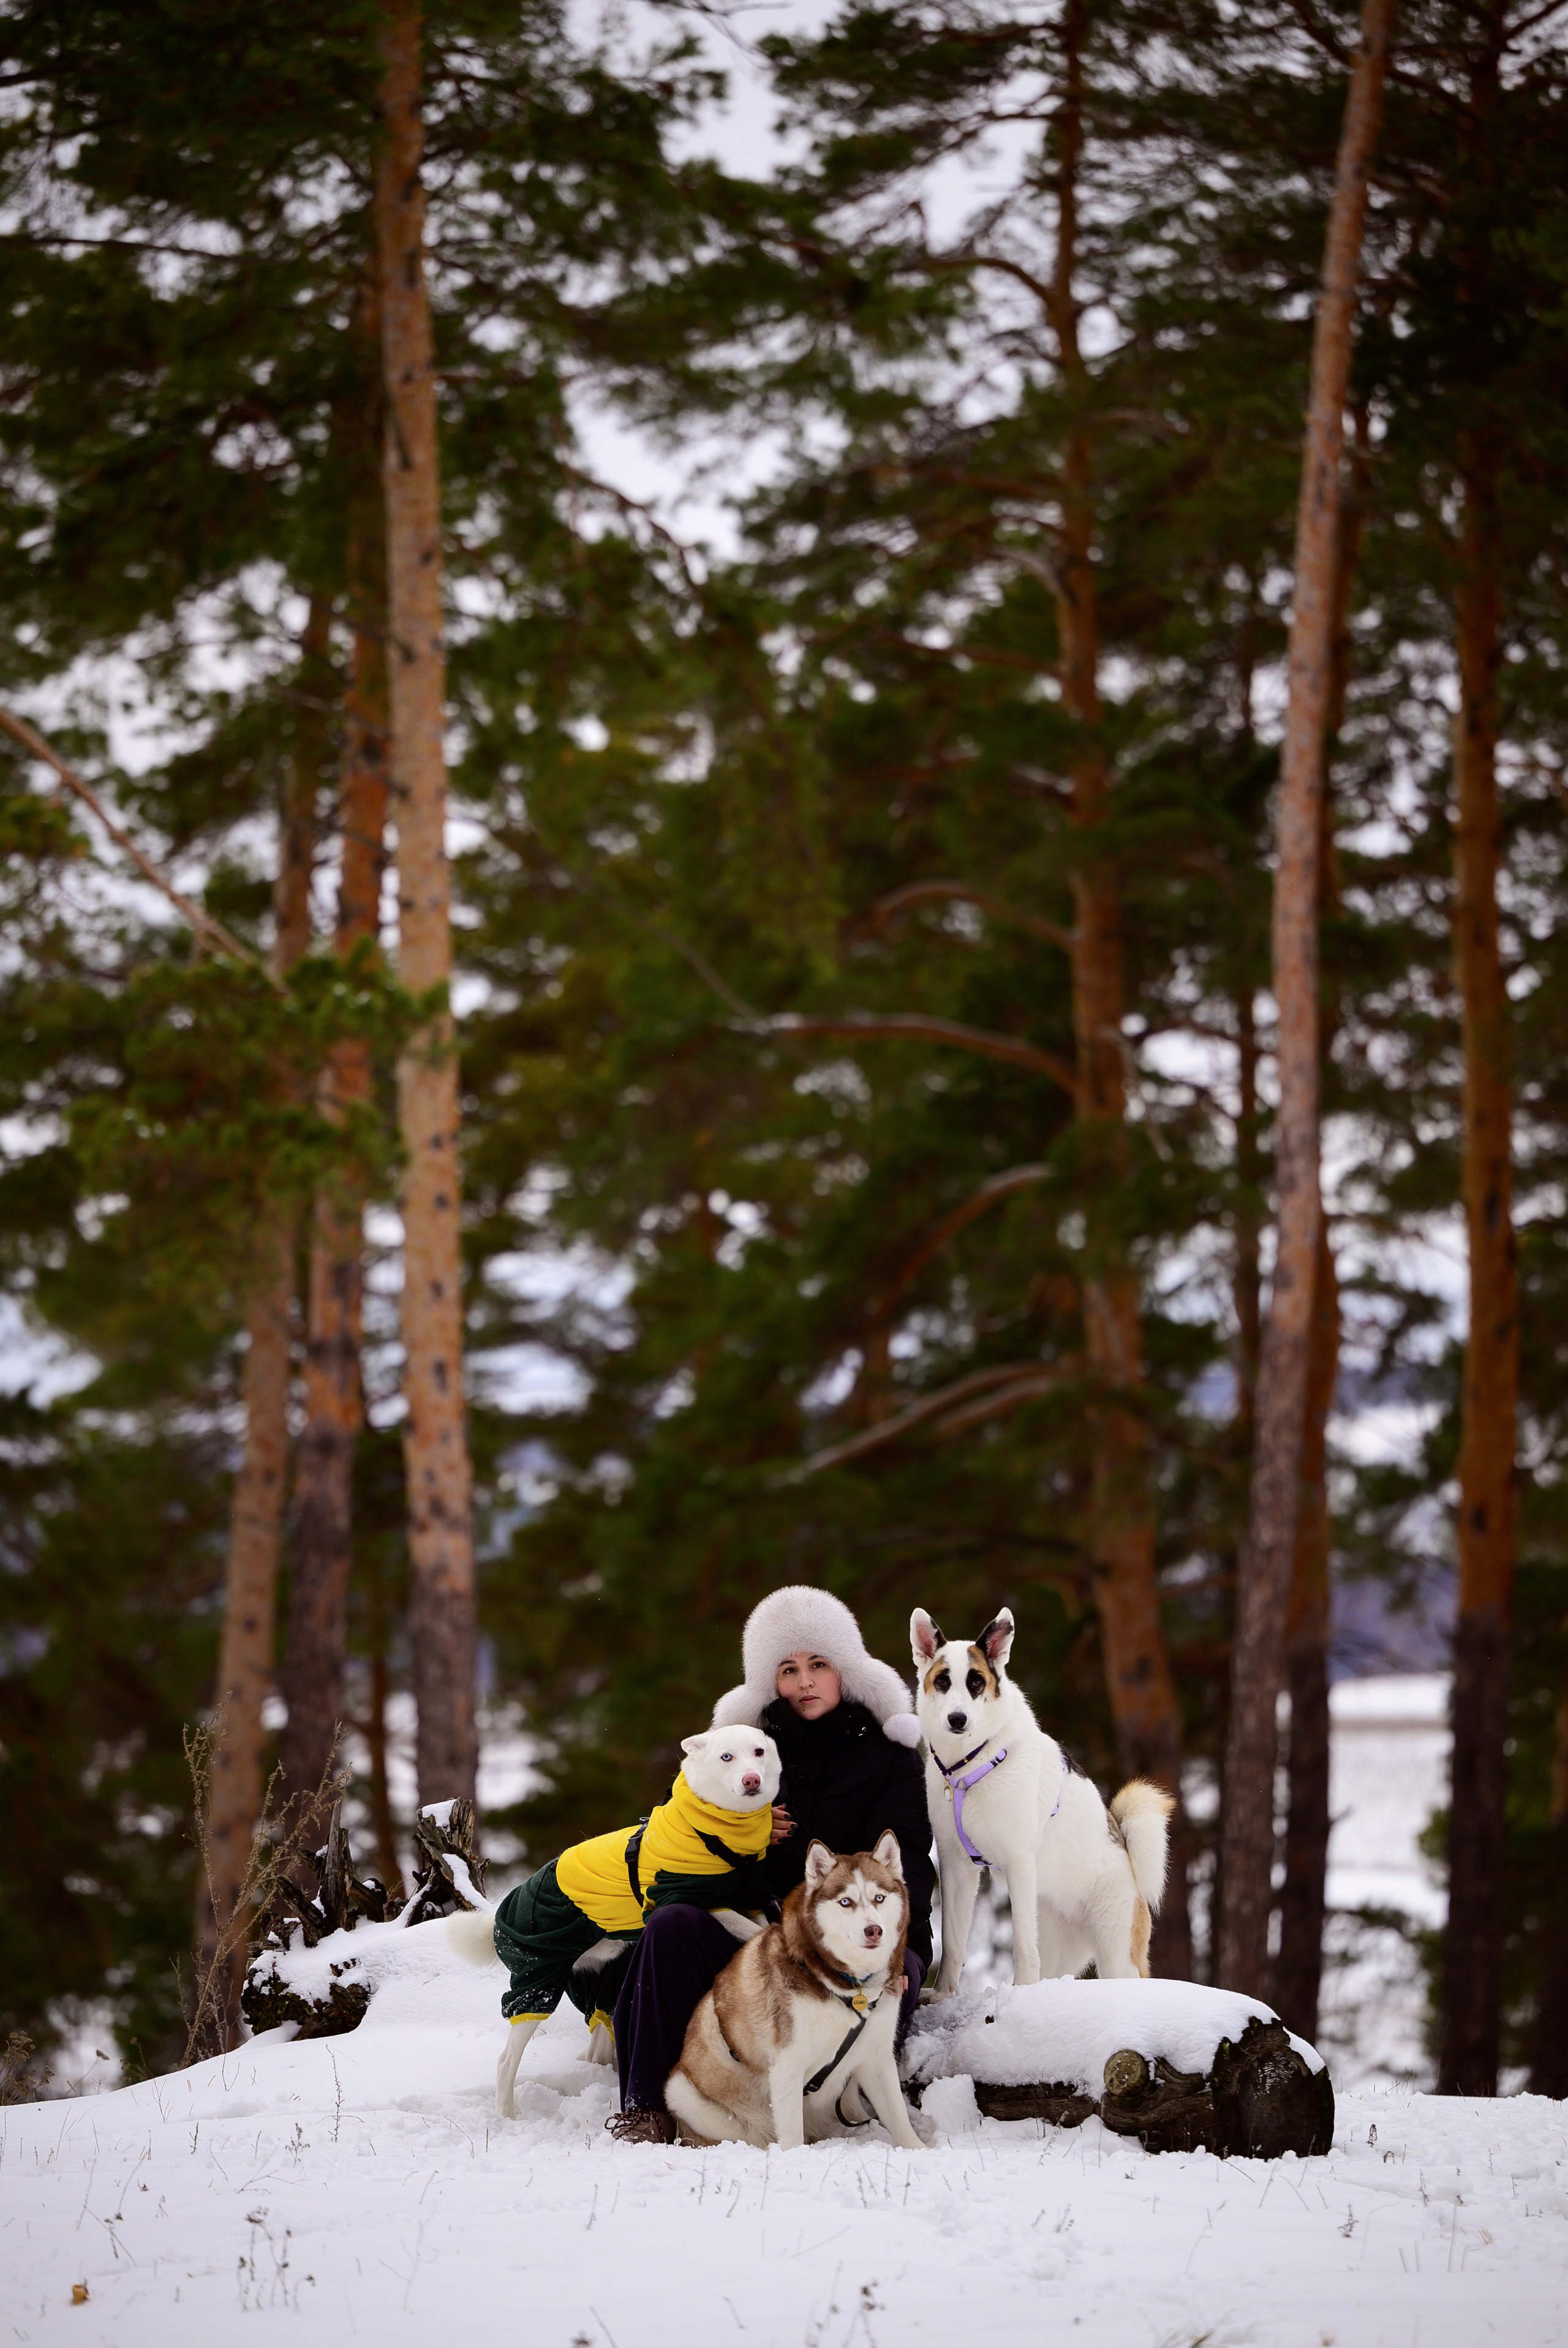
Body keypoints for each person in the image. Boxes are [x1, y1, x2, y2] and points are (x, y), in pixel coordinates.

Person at [607, 1585, 934, 2145]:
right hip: (763, 1935)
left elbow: (907, 1866)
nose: (804, 1681)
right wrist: (749, 1838)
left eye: (818, 1664)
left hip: (871, 1934)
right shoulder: (747, 1748)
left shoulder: (890, 1756)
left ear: (845, 1671)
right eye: (787, 1668)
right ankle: (645, 2107)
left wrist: (902, 1944)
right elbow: (685, 1831)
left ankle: (844, 2102)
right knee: (672, 1925)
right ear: (770, 1681)